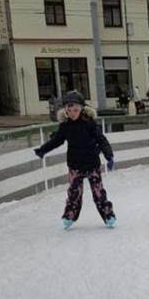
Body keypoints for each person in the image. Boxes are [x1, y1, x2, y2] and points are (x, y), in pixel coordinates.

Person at [33, 90, 116, 229]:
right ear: (65, 110)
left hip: (92, 164)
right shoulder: (65, 125)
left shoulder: (89, 123)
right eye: (69, 110)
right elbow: (57, 140)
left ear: (82, 108)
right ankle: (70, 215)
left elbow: (101, 140)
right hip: (75, 166)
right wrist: (43, 149)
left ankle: (108, 215)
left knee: (98, 193)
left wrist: (109, 155)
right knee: (74, 193)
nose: (72, 113)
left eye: (76, 110)